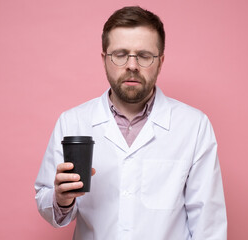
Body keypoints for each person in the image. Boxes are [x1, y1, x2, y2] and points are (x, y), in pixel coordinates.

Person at [35, 6, 227, 240]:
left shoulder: (194, 126)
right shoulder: (72, 122)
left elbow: (209, 226)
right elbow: (46, 201)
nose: (132, 65)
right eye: (120, 54)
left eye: (144, 55)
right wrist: (61, 200)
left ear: (161, 61)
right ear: (105, 59)